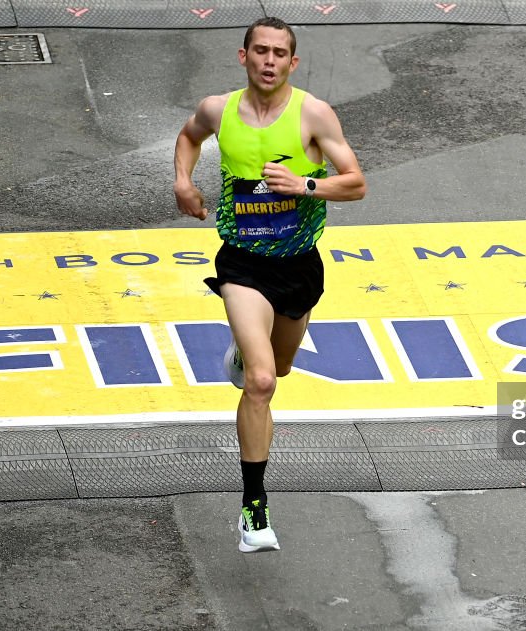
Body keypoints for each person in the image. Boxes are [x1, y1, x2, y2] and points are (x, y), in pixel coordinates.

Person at [173, 17, 366, 553]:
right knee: (262, 383)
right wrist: (183, 181)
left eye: (280, 53)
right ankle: (253, 511)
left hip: (299, 266)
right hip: (243, 264)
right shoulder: (219, 109)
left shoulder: (313, 114)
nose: (269, 61)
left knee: (278, 366)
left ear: (292, 63)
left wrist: (306, 184)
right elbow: (189, 136)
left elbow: (355, 183)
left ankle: (245, 351)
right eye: (260, 50)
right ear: (244, 56)